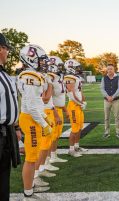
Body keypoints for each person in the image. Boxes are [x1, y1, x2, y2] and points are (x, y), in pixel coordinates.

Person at [18, 44, 53, 200]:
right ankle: (28, 192)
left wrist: (44, 118)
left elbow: (36, 103)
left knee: (35, 153)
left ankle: (31, 183)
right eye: (41, 60)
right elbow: (32, 107)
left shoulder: (33, 74)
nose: (44, 63)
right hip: (30, 118)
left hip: (34, 116)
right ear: (30, 58)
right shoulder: (30, 76)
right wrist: (44, 124)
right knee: (31, 157)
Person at [0, 33, 21, 201]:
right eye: (6, 48)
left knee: (3, 179)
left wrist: (16, 127)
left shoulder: (5, 75)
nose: (8, 53)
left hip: (7, 132)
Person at [64, 59, 88, 157]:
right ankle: (71, 150)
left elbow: (79, 91)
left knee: (79, 127)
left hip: (78, 105)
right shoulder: (69, 78)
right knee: (74, 129)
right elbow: (71, 95)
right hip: (73, 105)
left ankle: (77, 146)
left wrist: (84, 101)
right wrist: (80, 103)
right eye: (77, 67)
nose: (79, 69)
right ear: (71, 68)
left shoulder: (76, 77)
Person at [48, 56, 68, 163]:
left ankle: (53, 155)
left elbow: (60, 96)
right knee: (52, 135)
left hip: (59, 109)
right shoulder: (50, 78)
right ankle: (48, 159)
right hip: (53, 110)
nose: (61, 68)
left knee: (57, 135)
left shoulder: (58, 77)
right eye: (59, 66)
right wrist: (55, 113)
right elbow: (49, 98)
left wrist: (64, 109)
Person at [100, 64, 119, 138]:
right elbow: (102, 88)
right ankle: (106, 132)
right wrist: (107, 96)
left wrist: (113, 97)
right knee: (106, 117)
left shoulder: (118, 77)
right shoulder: (104, 78)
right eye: (108, 69)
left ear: (114, 69)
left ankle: (118, 132)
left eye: (111, 69)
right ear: (107, 70)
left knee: (117, 117)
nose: (109, 70)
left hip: (115, 100)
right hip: (106, 101)